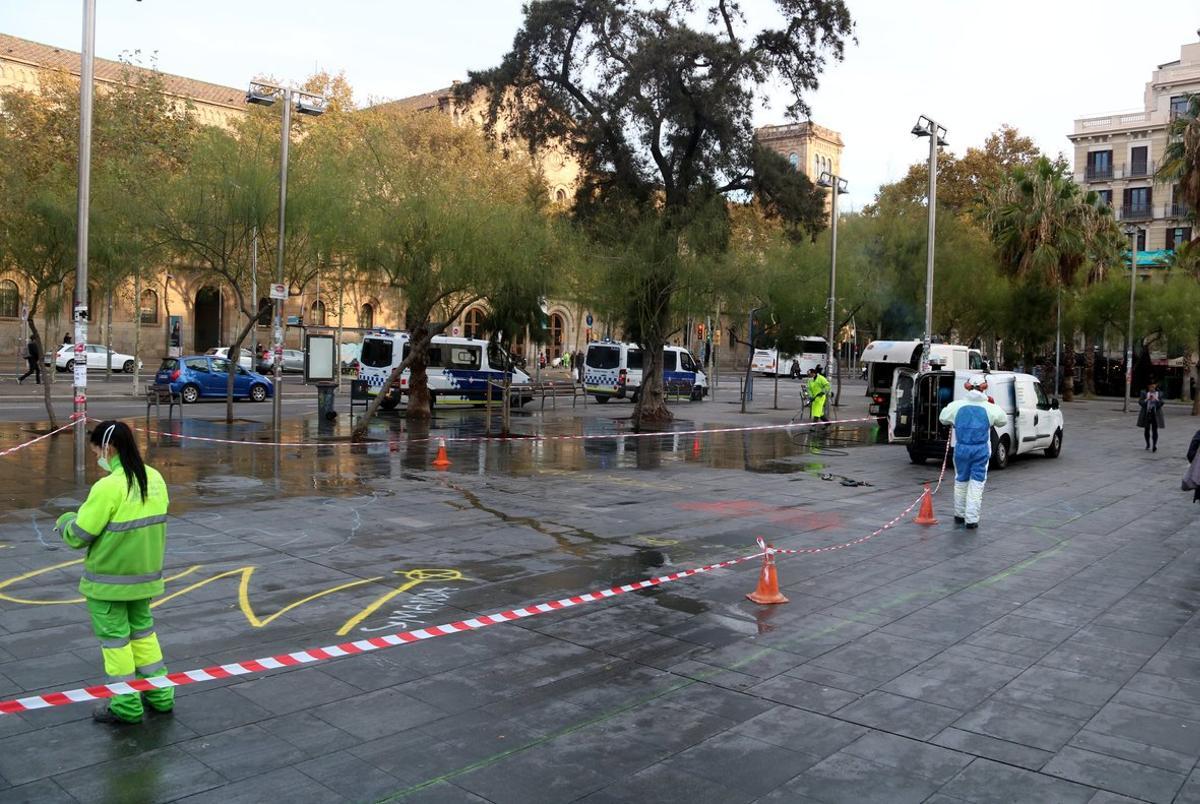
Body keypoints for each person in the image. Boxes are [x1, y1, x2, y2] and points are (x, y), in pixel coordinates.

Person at [55, 421, 173, 724]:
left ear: (109, 448)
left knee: (116, 643)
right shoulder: (155, 478)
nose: (98, 458)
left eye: (97, 451)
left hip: (108, 584)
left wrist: (66, 520)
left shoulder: (108, 487)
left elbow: (79, 535)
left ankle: (126, 707)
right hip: (145, 579)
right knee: (144, 636)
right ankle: (160, 696)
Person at [939, 375, 1008, 529]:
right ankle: (971, 519)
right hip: (981, 449)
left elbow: (943, 418)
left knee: (961, 480)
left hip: (961, 448)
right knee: (976, 483)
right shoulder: (989, 407)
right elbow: (1002, 420)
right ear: (984, 387)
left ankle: (959, 514)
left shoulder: (956, 405)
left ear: (967, 387)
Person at [1138, 380, 1164, 452]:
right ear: (1148, 386)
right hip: (1147, 413)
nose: (1152, 388)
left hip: (1155, 413)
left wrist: (1156, 399)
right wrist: (1147, 399)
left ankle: (1154, 445)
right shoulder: (1144, 392)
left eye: (1153, 386)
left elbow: (1162, 403)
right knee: (1146, 429)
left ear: (1155, 386)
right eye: (1150, 386)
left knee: (1155, 430)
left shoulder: (1159, 393)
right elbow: (1140, 402)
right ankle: (1148, 444)